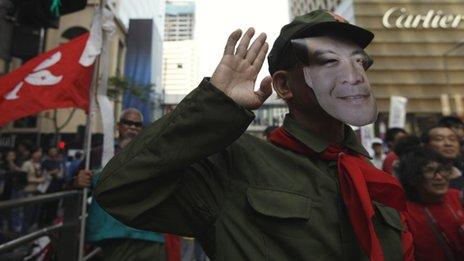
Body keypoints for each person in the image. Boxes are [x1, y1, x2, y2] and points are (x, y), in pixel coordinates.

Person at [95, 10, 412, 260]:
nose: (354, 75)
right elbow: (119, 191)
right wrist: (215, 104)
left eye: (360, 62)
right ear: (284, 86)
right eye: (329, 61)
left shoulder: (372, 176)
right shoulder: (234, 164)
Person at [74, 108, 166, 261]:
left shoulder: (154, 154)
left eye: (137, 124)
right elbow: (69, 185)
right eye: (127, 123)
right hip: (112, 237)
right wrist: (77, 181)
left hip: (151, 236)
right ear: (118, 126)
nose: (132, 127)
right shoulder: (98, 154)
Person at [397, 147, 464, 261]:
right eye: (430, 171)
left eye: (442, 170)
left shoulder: (458, 196)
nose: (439, 177)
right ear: (413, 178)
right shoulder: (403, 212)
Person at [422, 124, 463, 190]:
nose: (448, 144)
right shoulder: (420, 175)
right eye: (439, 139)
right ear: (426, 145)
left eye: (452, 139)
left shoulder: (460, 170)